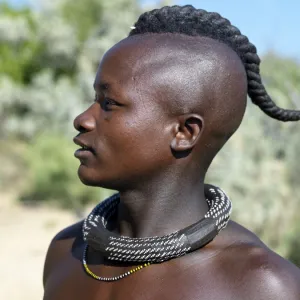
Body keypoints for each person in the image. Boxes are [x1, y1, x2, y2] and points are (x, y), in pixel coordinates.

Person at [43, 5, 300, 300]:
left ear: (184, 133)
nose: (83, 119)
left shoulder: (262, 286)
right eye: (95, 99)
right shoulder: (68, 251)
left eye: (109, 103)